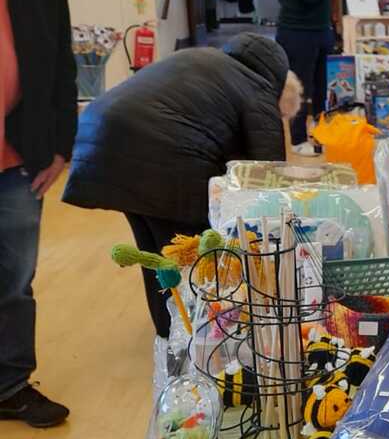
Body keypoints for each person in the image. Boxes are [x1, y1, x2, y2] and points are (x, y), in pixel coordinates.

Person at [63, 35, 300, 339]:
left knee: (155, 251)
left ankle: (169, 332)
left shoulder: (206, 61)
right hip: (162, 155)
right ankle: (191, 341)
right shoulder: (258, 88)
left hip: (103, 139)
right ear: (278, 89)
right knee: (191, 255)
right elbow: (266, 175)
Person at [0, 0, 76, 428]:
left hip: (18, 159)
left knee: (14, 278)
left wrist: (58, 146)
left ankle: (9, 386)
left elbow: (60, 68)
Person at [275, 0, 348, 156]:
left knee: (319, 87)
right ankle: (296, 139)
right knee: (301, 88)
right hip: (299, 33)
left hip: (317, 31)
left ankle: (318, 132)